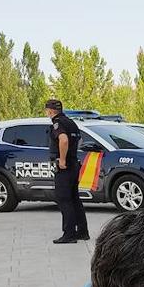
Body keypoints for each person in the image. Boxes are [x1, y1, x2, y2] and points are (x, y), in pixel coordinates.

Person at [46, 99, 89, 244]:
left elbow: (63, 140)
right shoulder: (71, 123)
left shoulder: (57, 123)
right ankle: (82, 231)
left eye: (47, 111)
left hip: (64, 167)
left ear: (50, 111)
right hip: (74, 164)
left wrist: (62, 160)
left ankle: (69, 234)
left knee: (64, 200)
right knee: (74, 199)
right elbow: (79, 141)